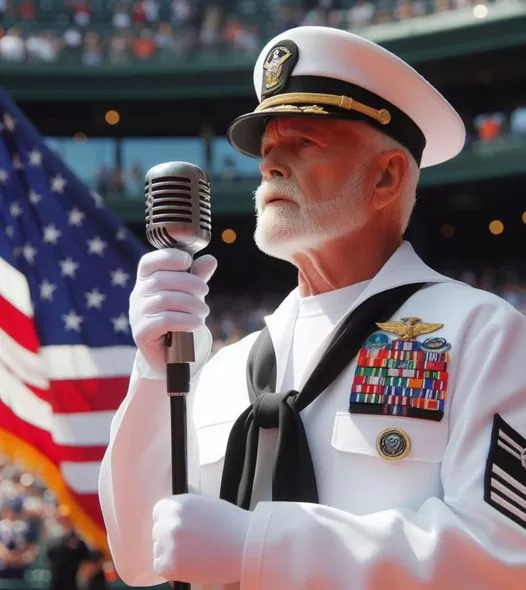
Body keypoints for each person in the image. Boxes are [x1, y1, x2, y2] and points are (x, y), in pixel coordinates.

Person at [98, 26, 526, 589]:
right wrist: (155, 373)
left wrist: (262, 547)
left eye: (304, 144)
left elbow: (504, 555)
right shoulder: (229, 368)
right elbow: (137, 554)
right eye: (268, 150)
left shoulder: (482, 334)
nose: (271, 165)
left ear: (386, 176)